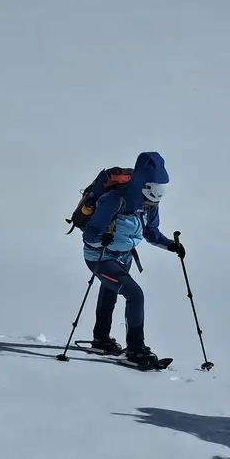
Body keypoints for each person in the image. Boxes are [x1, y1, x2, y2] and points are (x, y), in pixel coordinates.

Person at [81, 151, 185, 368]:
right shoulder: (115, 199)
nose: (156, 197)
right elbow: (90, 236)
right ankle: (136, 348)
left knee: (110, 292)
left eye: (161, 190)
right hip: (100, 257)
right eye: (154, 189)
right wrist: (103, 240)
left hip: (124, 256)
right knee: (135, 295)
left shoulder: (150, 205)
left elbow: (151, 232)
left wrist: (170, 245)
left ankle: (101, 339)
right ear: (143, 184)